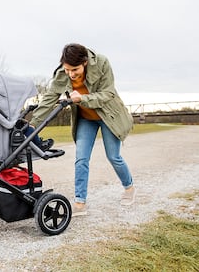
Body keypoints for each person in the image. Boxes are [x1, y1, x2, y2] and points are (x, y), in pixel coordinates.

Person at [29, 43, 135, 216]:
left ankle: (129, 188)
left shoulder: (101, 63)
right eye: (67, 69)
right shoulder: (62, 74)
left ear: (85, 62)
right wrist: (33, 124)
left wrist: (82, 98)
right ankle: (80, 202)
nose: (70, 74)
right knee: (81, 159)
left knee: (113, 156)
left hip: (109, 116)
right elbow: (49, 98)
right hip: (86, 119)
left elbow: (108, 93)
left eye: (75, 70)